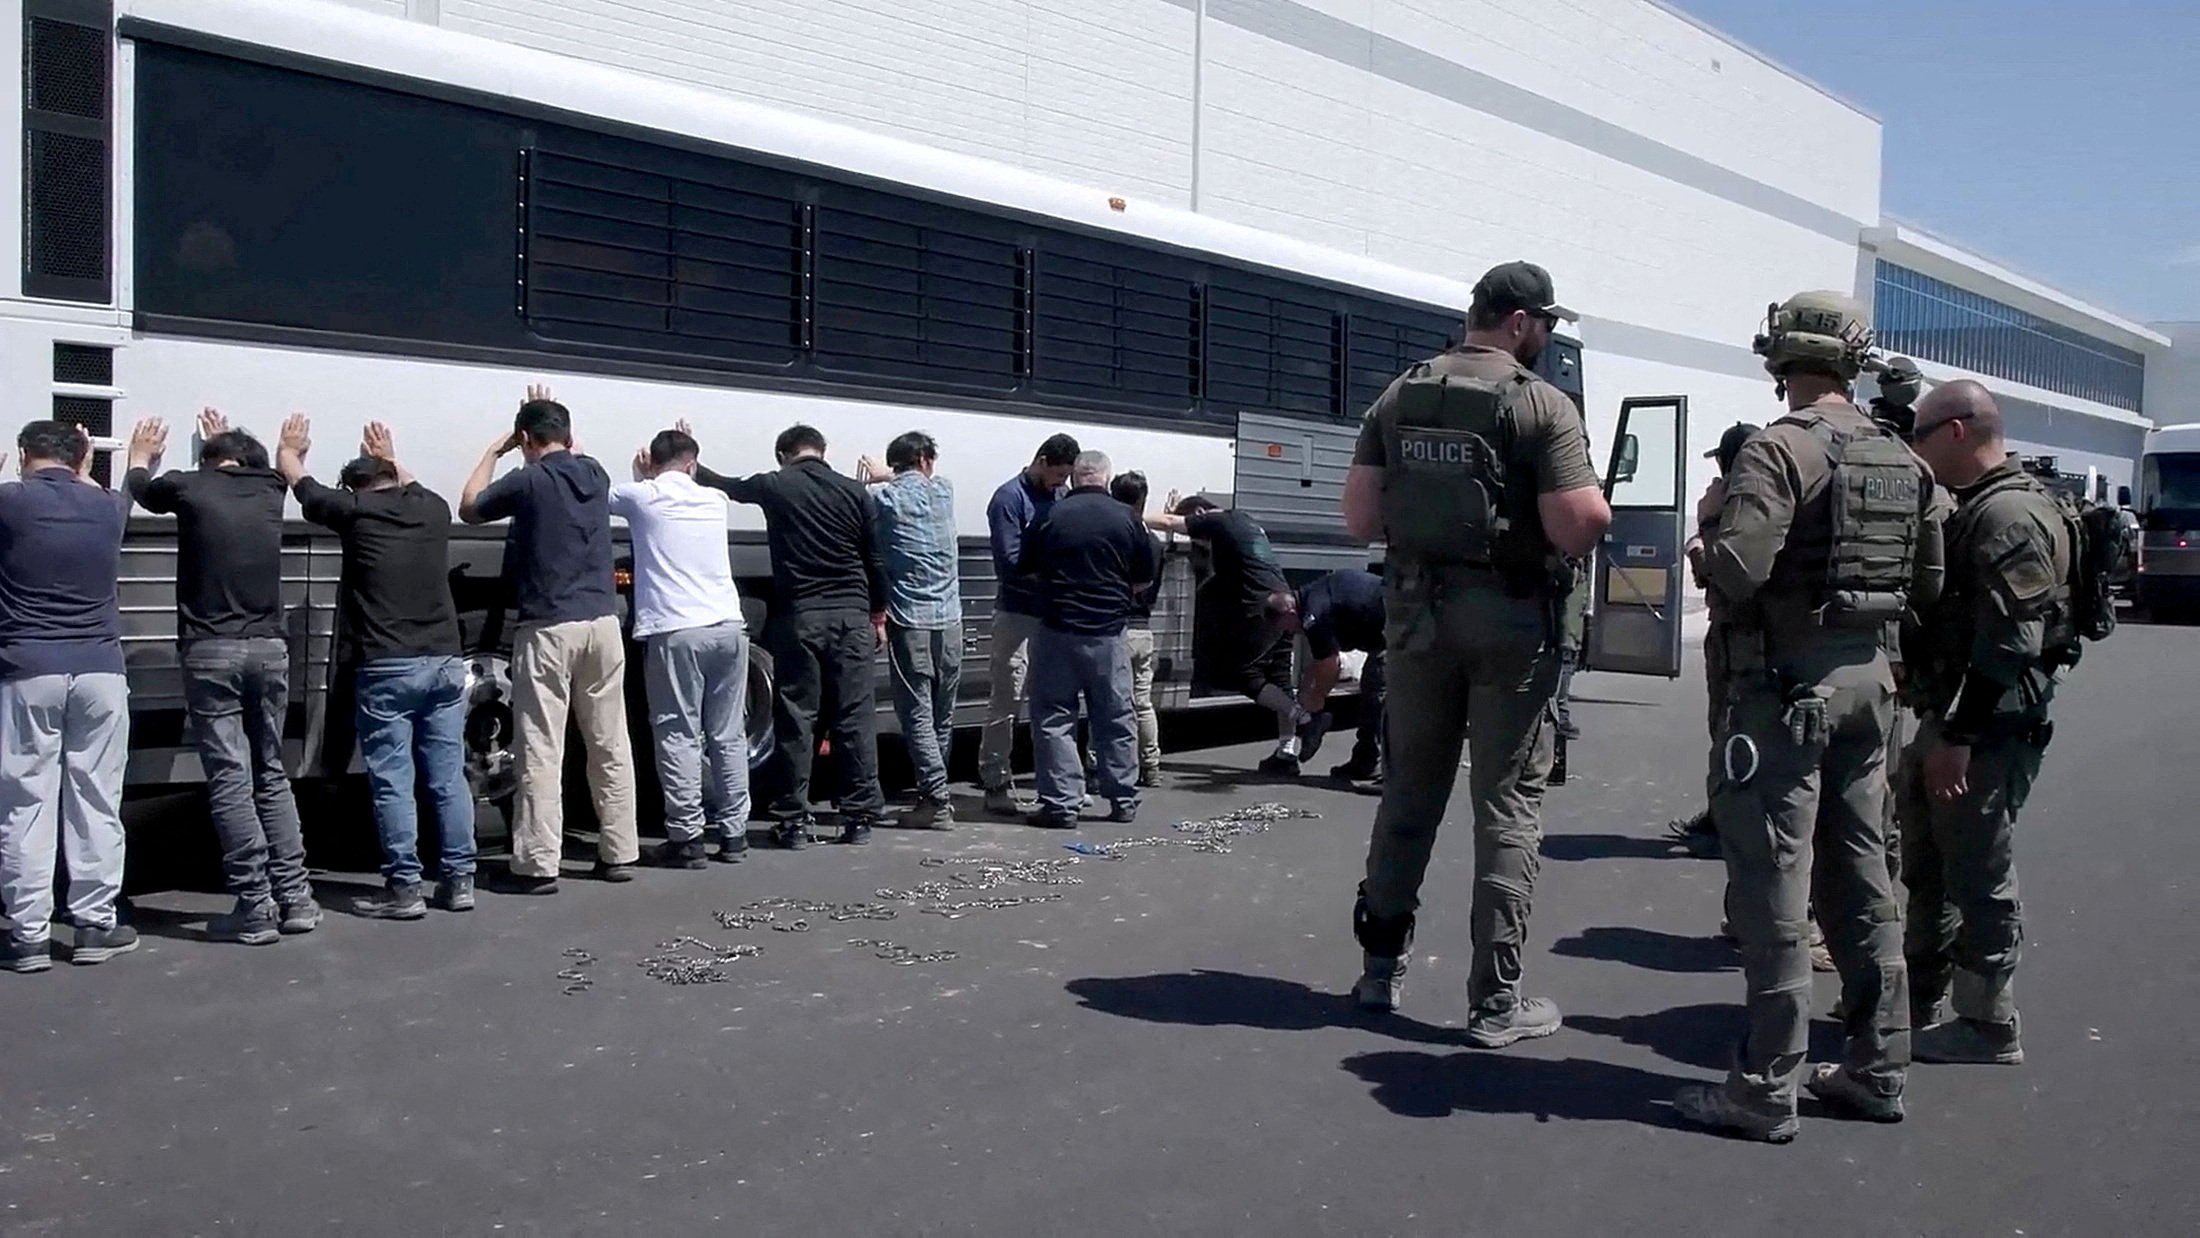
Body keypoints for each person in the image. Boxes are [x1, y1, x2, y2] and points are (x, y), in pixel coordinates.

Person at [1671, 291, 1942, 1143]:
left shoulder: (1777, 451)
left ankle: (1764, 1087)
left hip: (1783, 691)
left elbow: (1739, 572)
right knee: (1861, 878)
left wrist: (1705, 543)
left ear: (1778, 359)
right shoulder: (1904, 457)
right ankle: (1875, 1067)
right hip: (1870, 687)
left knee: (1771, 884)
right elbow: (1928, 585)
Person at [1337, 260, 1611, 1046]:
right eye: (1547, 325)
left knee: (1408, 795)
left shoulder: (1402, 392)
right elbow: (1577, 524)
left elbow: (1359, 518)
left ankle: (1378, 971)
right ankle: (1495, 1002)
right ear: (1522, 322)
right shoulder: (1540, 404)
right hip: (1513, 628)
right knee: (1507, 808)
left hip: (1419, 621)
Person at [1899, 380, 2071, 1067]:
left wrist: (1959, 738)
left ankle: (1988, 1022)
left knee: (1979, 873)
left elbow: (2011, 642)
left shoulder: (2008, 516)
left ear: (1958, 432)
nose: (1916, 450)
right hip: (1959, 718)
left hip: (1987, 728)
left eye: (1921, 435)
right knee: (1934, 865)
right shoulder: (1981, 506)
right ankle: (1924, 1000)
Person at [126, 409, 321, 944]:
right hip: (269, 649)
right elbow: (262, 468)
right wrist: (281, 449)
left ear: (208, 463)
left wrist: (140, 458)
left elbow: (144, 490)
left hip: (212, 651)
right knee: (271, 774)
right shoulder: (270, 490)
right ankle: (297, 898)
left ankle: (255, 906)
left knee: (231, 779)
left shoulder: (190, 487)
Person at [279, 417, 475, 918]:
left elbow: (300, 483)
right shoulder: (432, 509)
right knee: (448, 777)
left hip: (389, 667)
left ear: (356, 488)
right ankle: (458, 882)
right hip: (447, 663)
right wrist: (391, 453)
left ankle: (405, 889)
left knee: (393, 780)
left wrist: (290, 449)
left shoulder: (354, 511)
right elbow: (409, 484)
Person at [460, 384, 637, 891]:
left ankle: (539, 863)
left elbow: (470, 505)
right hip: (603, 623)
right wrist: (548, 416)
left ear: (525, 439)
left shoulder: (527, 480)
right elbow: (571, 450)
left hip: (550, 625)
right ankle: (618, 852)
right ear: (568, 436)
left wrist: (497, 451)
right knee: (609, 741)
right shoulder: (595, 473)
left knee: (541, 745)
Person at [695, 423, 888, 847]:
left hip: (801, 616)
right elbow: (875, 558)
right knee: (854, 715)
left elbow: (726, 486)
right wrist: (878, 613)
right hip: (852, 616)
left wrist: (690, 456)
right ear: (823, 451)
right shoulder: (856, 493)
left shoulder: (775, 485)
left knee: (797, 717)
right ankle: (858, 817)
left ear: (783, 454)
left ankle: (793, 821)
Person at [0, 422, 136, 972]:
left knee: (27, 802)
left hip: (27, 669)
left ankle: (29, 935)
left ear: (21, 454)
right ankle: (94, 925)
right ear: (81, 460)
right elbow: (103, 489)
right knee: (96, 799)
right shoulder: (107, 509)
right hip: (101, 671)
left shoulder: (10, 503)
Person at [611, 427, 751, 869]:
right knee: (728, 734)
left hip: (677, 630)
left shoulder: (642, 497)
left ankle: (687, 837)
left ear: (652, 462)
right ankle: (734, 834)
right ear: (692, 464)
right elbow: (699, 478)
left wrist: (643, 477)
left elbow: (594, 497)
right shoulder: (715, 501)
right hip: (728, 626)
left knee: (678, 733)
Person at [1016, 452, 1157, 828]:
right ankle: (1123, 799)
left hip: (1056, 631)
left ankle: (1061, 805)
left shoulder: (1049, 516)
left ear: (1074, 479)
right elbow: (1143, 578)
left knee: (1053, 719)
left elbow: (1024, 567)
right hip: (1109, 633)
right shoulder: (1128, 519)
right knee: (1115, 717)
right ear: (1106, 479)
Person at [1144, 494, 1300, 775]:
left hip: (1262, 607)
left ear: (1201, 513)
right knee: (1279, 678)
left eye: (1197, 534)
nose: (1200, 542)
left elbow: (1167, 521)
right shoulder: (1244, 521)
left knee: (1241, 675)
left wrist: (1126, 515)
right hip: (1283, 598)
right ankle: (1287, 752)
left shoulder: (1217, 521)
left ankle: (1307, 719)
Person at [858, 432, 961, 829]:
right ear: (925, 459)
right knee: (942, 715)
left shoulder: (884, 500)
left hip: (911, 620)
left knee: (916, 712)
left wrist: (881, 478)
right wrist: (891, 475)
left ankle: (936, 799)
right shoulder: (945, 492)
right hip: (950, 620)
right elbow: (927, 483)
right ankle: (931, 794)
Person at [1669, 422, 1758, 859]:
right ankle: (1723, 811)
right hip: (1746, 632)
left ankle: (1728, 819)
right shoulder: (1769, 496)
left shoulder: (1735, 506)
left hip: (1735, 633)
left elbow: (1718, 571)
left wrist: (1702, 529)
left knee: (1728, 726)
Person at [979, 434, 1080, 815]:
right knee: (1007, 699)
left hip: (1050, 614)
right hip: (1018, 612)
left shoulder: (1059, 496)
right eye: (1056, 475)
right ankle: (995, 781)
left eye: (1065, 477)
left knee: (1054, 700)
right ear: (1040, 461)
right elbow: (1009, 562)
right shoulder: (1009, 498)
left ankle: (1055, 783)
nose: (1060, 484)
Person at [1277, 569, 1386, 783]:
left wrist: (1317, 702)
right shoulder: (1310, 597)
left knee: (1381, 699)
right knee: (1372, 694)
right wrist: (1305, 695)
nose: (1290, 632)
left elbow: (1330, 665)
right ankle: (1365, 762)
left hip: (1397, 625)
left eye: (1285, 627)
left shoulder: (1312, 614)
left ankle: (1393, 776)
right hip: (1384, 624)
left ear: (1289, 612)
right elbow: (1317, 662)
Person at [1109, 471, 1166, 787]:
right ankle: (1152, 765)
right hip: (1144, 629)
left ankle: (1100, 766)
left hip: (1119, 628)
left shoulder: (1118, 536)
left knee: (1108, 702)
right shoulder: (1153, 542)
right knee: (1142, 704)